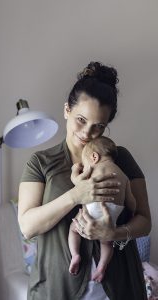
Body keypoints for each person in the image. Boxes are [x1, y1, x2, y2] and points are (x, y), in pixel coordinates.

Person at [18, 61, 151, 300]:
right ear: (67, 110)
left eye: (99, 126)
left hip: (119, 287)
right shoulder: (40, 162)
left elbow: (144, 221)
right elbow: (27, 226)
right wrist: (76, 195)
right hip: (57, 288)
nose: (87, 133)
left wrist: (114, 234)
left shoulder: (121, 159)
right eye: (81, 119)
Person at [68, 136, 136, 283]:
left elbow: (76, 182)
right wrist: (131, 212)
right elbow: (131, 202)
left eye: (85, 164)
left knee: (74, 228)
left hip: (92, 209)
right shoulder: (124, 176)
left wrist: (75, 170)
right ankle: (102, 267)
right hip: (112, 214)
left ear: (94, 157)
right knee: (107, 241)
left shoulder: (93, 171)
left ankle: (75, 255)